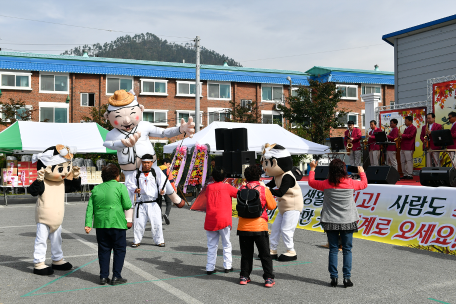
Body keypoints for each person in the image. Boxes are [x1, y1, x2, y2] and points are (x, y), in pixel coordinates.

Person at [308, 159, 367, 288]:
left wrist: (312, 168)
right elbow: (364, 184)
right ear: (344, 170)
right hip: (348, 220)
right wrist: (362, 172)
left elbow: (311, 182)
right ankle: (347, 278)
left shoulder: (325, 184)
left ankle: (333, 278)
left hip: (330, 220)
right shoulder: (351, 183)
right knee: (347, 250)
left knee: (333, 250)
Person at [29, 145, 81, 276]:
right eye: (61, 168)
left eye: (67, 167)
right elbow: (33, 191)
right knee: (41, 240)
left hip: (58, 217)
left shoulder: (62, 182)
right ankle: (39, 262)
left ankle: (57, 259)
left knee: (57, 239)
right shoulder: (44, 182)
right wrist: (39, 180)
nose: (64, 172)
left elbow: (73, 189)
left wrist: (75, 177)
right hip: (44, 217)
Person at [84, 164, 132, 285]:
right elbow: (127, 205)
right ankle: (116, 276)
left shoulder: (96, 189)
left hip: (100, 224)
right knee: (119, 250)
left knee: (104, 250)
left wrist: (88, 223)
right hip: (117, 222)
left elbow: (90, 208)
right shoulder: (120, 187)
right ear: (116, 176)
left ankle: (103, 277)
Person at [237, 165, 277, 288]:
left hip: (243, 227)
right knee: (265, 254)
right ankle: (268, 278)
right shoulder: (264, 189)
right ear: (259, 176)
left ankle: (244, 276)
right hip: (260, 225)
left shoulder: (241, 189)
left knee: (246, 254)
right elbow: (272, 206)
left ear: (246, 177)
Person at [126, 154, 178, 248]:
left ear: (151, 163)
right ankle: (136, 240)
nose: (146, 164)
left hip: (153, 202)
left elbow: (162, 184)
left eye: (148, 163)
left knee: (157, 222)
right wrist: (135, 189)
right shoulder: (136, 173)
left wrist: (162, 191)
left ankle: (159, 240)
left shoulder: (156, 172)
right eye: (144, 162)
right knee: (139, 223)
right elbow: (130, 184)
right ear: (141, 162)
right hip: (140, 203)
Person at [204, 168, 238, 275]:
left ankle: (210, 267)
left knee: (211, 245)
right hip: (224, 219)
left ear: (213, 177)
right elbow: (238, 193)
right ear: (224, 177)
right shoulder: (227, 187)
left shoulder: (209, 187)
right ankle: (227, 266)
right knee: (226, 243)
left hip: (211, 219)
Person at [159, 158, 175, 225]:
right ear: (165, 163)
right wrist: (174, 190)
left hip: (158, 189)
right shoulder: (167, 170)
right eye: (168, 164)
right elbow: (171, 181)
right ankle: (166, 214)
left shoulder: (157, 169)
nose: (169, 165)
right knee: (168, 203)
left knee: (159, 204)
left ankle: (160, 218)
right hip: (167, 188)